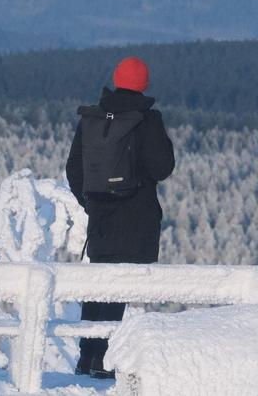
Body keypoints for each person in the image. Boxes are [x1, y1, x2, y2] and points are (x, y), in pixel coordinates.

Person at [65, 56, 176, 379]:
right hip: (137, 216)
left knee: (98, 284)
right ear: (145, 84)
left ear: (116, 79)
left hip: (101, 218)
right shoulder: (146, 120)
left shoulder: (93, 118)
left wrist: (91, 204)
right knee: (119, 286)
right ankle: (103, 360)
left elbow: (74, 169)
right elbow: (162, 168)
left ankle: (88, 356)